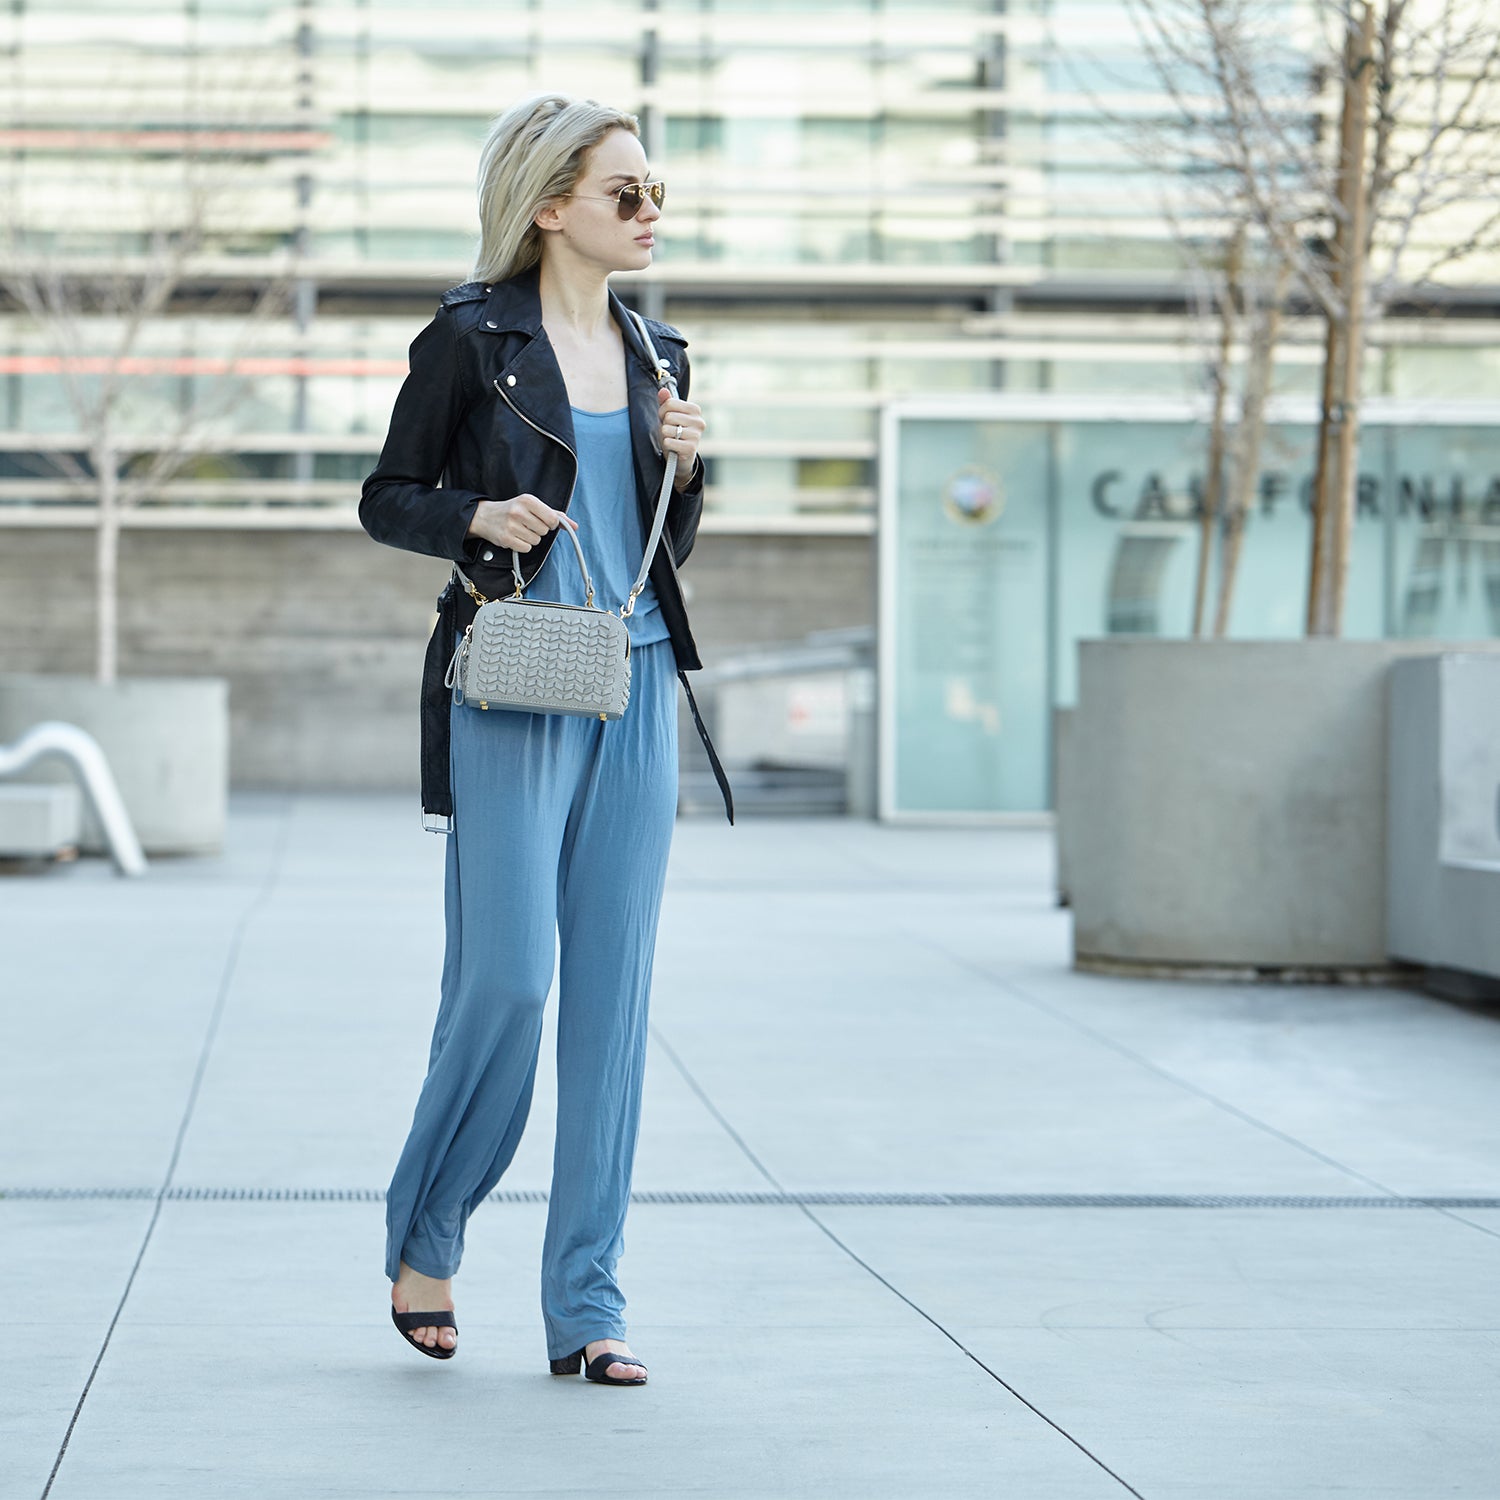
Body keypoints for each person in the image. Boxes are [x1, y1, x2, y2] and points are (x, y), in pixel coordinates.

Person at [358, 92, 733, 1387]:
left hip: (635, 686)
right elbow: (388, 496)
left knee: (612, 1009)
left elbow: (659, 549)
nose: (651, 212)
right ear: (553, 206)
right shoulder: (472, 340)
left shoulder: (661, 353)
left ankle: (588, 1302)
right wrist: (477, 514)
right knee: (509, 981)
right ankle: (428, 1232)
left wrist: (691, 468)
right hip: (516, 676)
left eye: (656, 191)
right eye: (628, 192)